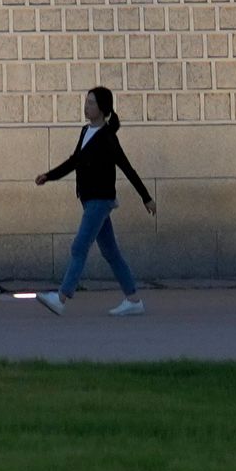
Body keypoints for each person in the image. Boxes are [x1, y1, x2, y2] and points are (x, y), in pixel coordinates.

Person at [34, 84, 156, 315]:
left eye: (91, 103)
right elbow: (74, 161)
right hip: (89, 200)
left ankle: (61, 298)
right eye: (86, 101)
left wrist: (146, 198)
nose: (86, 106)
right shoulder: (85, 131)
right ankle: (133, 300)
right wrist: (49, 176)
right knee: (111, 252)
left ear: (102, 108)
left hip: (101, 200)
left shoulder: (108, 137)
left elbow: (127, 167)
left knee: (79, 246)